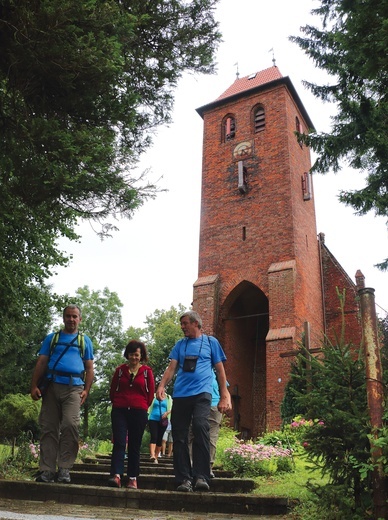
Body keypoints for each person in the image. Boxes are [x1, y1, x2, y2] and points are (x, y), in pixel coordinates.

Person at [156, 310, 231, 493]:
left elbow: (220, 371)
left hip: (202, 394)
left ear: (196, 323)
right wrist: (161, 386)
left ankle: (201, 476)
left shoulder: (211, 342)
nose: (182, 327)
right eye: (181, 324)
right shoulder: (180, 345)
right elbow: (171, 368)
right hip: (181, 394)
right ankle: (184, 479)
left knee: (200, 426)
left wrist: (224, 395)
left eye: (185, 323)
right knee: (180, 436)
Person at [30, 304, 94, 484]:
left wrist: (86, 390)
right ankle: (47, 470)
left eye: (75, 316)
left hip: (74, 388)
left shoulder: (85, 341)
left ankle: (64, 468)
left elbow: (89, 368)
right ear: (63, 318)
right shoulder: (52, 339)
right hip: (51, 387)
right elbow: (42, 362)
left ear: (80, 319)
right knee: (49, 428)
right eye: (68, 316)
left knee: (70, 425)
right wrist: (34, 385)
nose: (71, 320)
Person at [108, 339, 155, 489]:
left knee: (134, 445)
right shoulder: (120, 371)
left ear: (141, 356)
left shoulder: (147, 372)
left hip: (139, 411)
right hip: (120, 410)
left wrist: (140, 405)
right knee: (120, 442)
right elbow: (112, 390)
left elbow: (150, 394)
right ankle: (116, 475)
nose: (134, 357)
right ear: (127, 355)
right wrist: (118, 403)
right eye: (131, 354)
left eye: (136, 355)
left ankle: (133, 478)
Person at [189, 369, 225, 478]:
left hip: (213, 406)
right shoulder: (194, 370)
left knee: (211, 437)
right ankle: (191, 466)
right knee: (191, 435)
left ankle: (207, 467)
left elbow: (224, 389)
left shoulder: (217, 373)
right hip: (196, 405)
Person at [148, 393, 172, 462]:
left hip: (163, 421)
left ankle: (156, 456)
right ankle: (152, 454)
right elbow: (149, 405)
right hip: (153, 419)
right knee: (154, 436)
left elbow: (172, 408)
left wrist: (167, 413)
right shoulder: (154, 396)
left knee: (159, 438)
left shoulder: (168, 397)